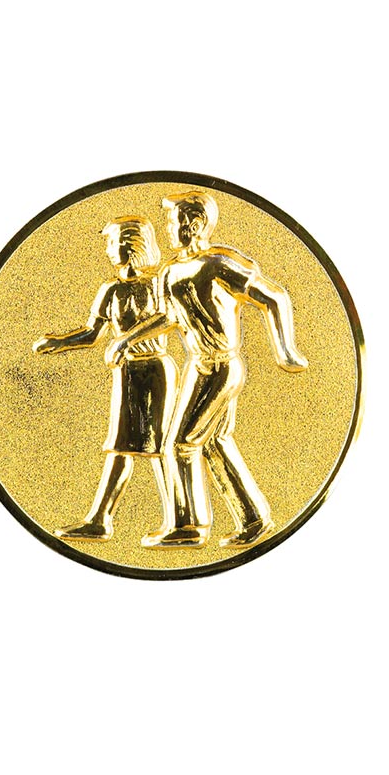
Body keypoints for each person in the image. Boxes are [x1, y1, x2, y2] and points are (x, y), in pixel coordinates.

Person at [106, 192, 308, 549]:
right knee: (214, 441)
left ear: (195, 225)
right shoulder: (169, 272)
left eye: (173, 222)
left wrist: (285, 351)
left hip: (222, 367)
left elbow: (273, 297)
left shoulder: (218, 264)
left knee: (179, 445)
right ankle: (254, 519)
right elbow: (168, 317)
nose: (169, 229)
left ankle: (189, 527)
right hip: (198, 366)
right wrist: (127, 340)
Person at [33, 216, 178, 541]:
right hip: (127, 372)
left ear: (131, 246)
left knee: (161, 447)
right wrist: (60, 343)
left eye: (112, 243)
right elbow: (92, 333)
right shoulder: (110, 290)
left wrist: (126, 340)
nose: (109, 250)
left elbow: (169, 319)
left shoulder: (158, 285)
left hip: (156, 370)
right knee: (120, 446)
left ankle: (177, 520)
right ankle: (100, 520)